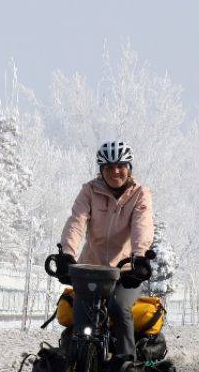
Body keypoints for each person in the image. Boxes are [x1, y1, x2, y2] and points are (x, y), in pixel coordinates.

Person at [52, 140, 155, 358]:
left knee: (119, 308)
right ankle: (76, 371)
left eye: (120, 166)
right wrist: (68, 254)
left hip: (125, 271)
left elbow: (142, 226)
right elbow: (76, 221)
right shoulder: (89, 191)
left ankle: (128, 367)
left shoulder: (140, 194)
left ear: (129, 167)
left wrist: (140, 257)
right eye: (108, 167)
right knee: (81, 320)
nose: (115, 171)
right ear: (101, 170)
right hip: (91, 270)